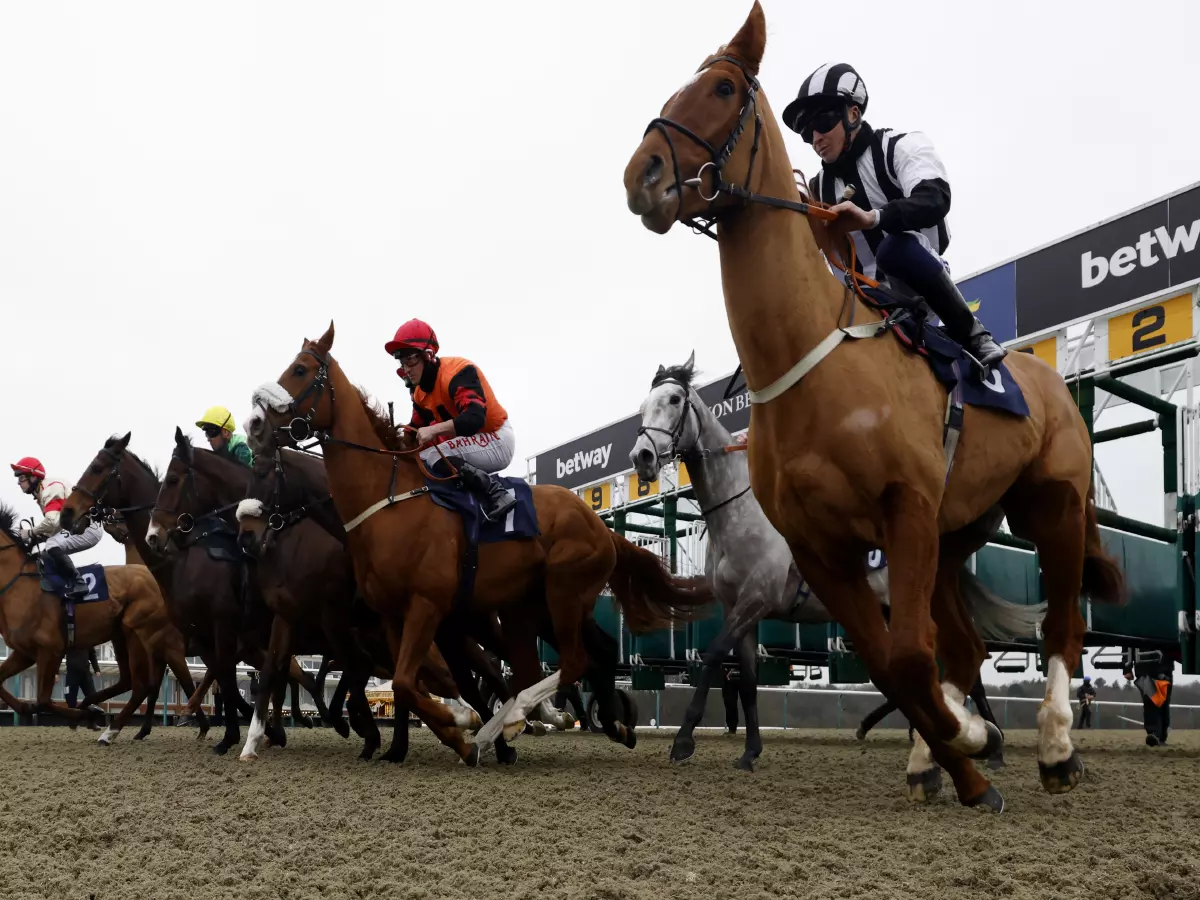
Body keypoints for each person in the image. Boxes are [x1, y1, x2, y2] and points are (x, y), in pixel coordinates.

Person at [782, 62, 1007, 368]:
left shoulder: (898, 145)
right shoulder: (816, 187)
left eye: (822, 122)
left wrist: (872, 218)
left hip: (916, 287)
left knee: (893, 249)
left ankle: (972, 334)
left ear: (853, 114)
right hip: (852, 306)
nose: (816, 138)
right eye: (807, 132)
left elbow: (935, 198)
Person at [384, 319, 517, 522]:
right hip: (471, 444)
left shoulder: (458, 371)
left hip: (496, 437)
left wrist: (434, 430)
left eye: (410, 360)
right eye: (401, 362)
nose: (406, 369)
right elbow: (412, 433)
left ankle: (496, 493)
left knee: (432, 456)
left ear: (428, 355)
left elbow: (474, 418)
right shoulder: (419, 394)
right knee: (421, 459)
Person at [11, 456, 103, 600]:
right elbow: (57, 525)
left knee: (51, 545)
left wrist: (30, 532)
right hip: (76, 527)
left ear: (34, 477)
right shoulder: (42, 492)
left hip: (87, 528)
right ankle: (61, 586)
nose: (19, 483)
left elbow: (52, 522)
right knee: (45, 554)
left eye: (21, 478)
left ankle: (79, 583)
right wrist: (38, 536)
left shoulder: (50, 489)